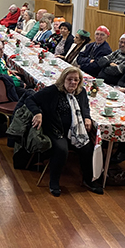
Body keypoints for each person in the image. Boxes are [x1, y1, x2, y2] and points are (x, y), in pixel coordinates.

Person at [26, 67, 103, 196]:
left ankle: (88, 180)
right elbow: (30, 100)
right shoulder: (52, 91)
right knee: (61, 149)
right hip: (56, 130)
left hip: (76, 131)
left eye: (76, 80)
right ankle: (54, 182)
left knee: (88, 147)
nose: (73, 82)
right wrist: (37, 112)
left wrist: (87, 117)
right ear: (63, 80)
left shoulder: (81, 92)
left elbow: (85, 106)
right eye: (69, 79)